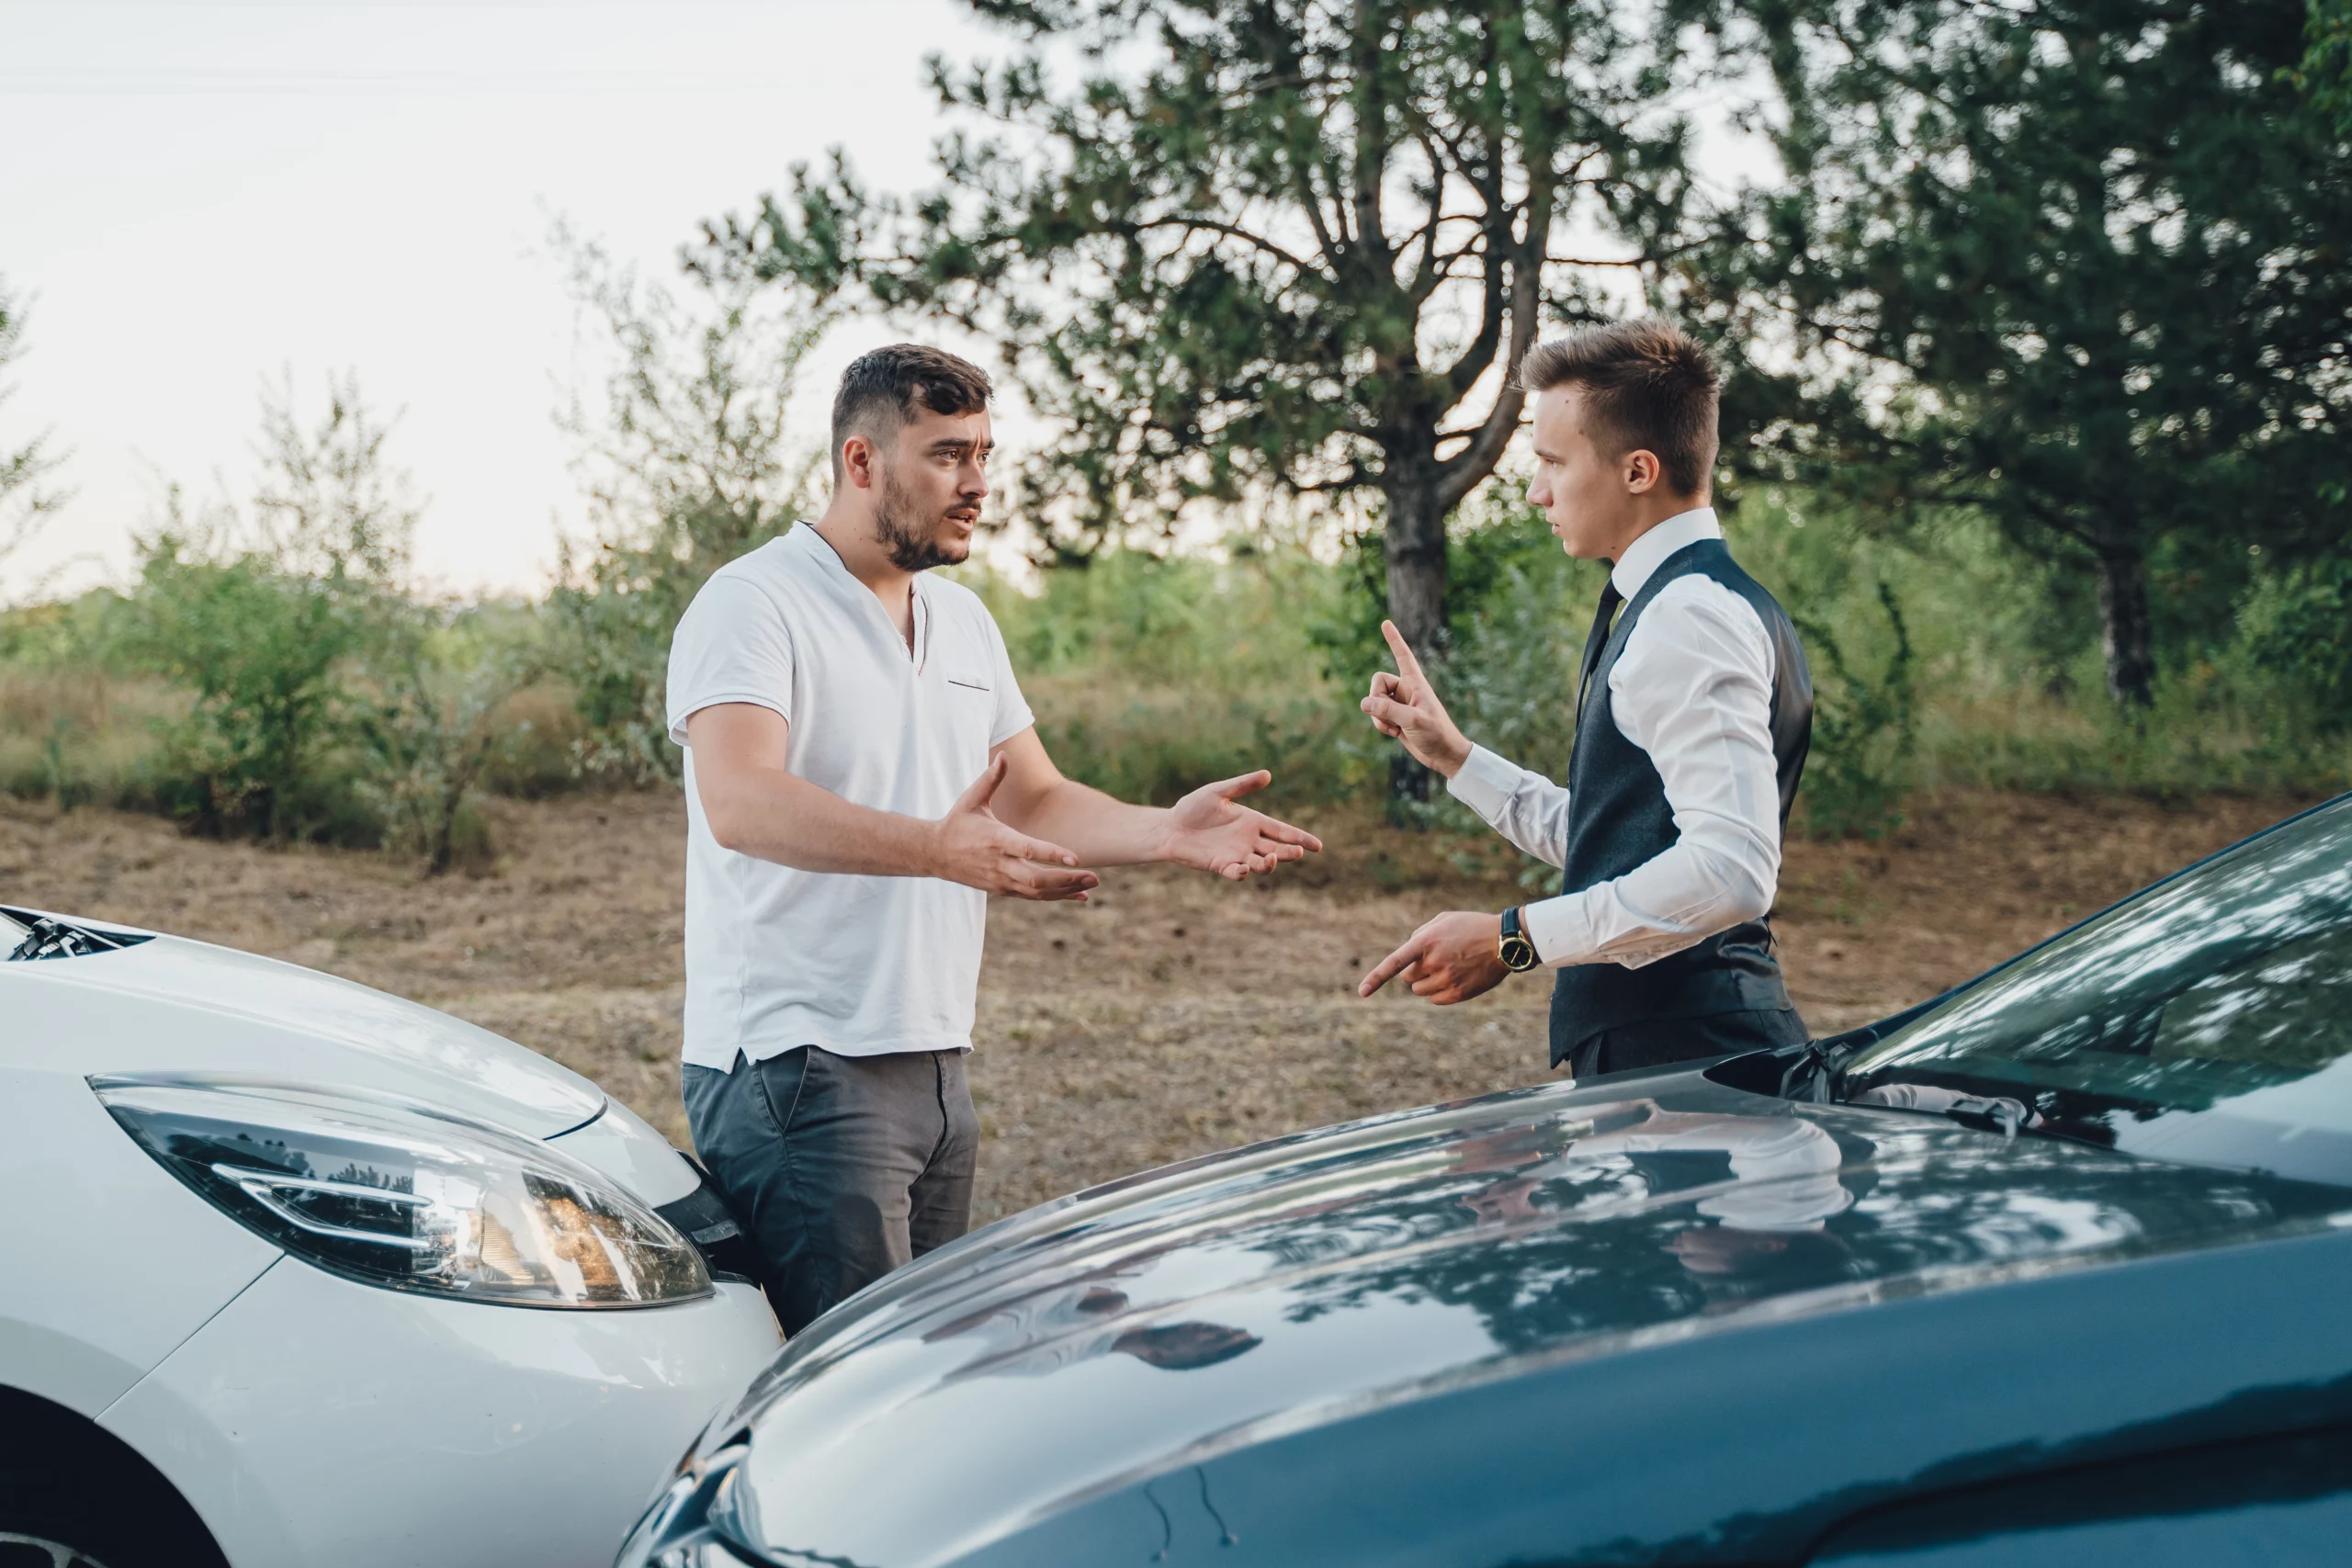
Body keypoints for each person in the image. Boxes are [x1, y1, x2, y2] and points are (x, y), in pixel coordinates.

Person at [667, 344, 1322, 1333]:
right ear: (860, 462)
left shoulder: (963, 621)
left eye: (982, 454)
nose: (976, 485)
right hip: (799, 1063)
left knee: (932, 1373)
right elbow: (743, 802)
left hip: (934, 1056)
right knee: (856, 1395)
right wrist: (937, 849)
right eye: (946, 455)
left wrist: (1167, 832)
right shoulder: (753, 602)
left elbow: (1037, 797)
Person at [1356, 317, 1813, 1078]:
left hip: (1696, 1065)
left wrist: (1515, 935)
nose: (1537, 491)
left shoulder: (1687, 617)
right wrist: (1457, 758)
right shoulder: (1685, 601)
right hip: (1675, 1057)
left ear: (1638, 470)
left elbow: (1732, 868)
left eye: (1551, 462)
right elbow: (1626, 843)